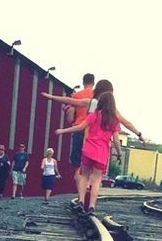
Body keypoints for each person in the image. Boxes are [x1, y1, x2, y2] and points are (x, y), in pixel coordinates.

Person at [56, 81, 142, 214]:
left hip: (88, 150)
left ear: (100, 102)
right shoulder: (113, 120)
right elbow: (119, 135)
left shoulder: (94, 115)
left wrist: (62, 131)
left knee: (84, 176)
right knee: (96, 181)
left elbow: (80, 127)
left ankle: (81, 201)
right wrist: (135, 138)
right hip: (101, 154)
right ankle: (91, 207)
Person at [41, 73, 94, 201]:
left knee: (78, 167)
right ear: (93, 83)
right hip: (93, 133)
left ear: (83, 82)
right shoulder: (97, 96)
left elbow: (70, 117)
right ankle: (89, 191)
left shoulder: (77, 95)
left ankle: (80, 198)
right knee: (91, 167)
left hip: (78, 130)